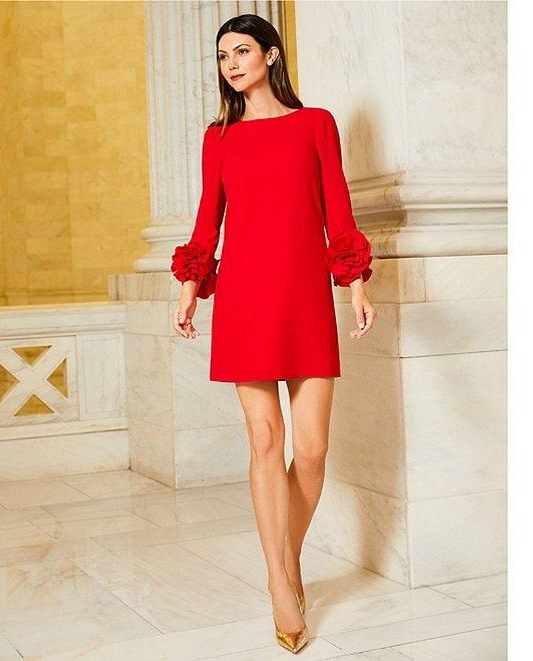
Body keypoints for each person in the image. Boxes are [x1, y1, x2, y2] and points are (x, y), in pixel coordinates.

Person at [170, 13, 376, 654]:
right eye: (222, 55)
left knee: (311, 452)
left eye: (241, 51)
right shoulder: (219, 138)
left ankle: (284, 560)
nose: (231, 64)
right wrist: (190, 287)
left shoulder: (315, 124)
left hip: (306, 295)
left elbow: (338, 208)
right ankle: (282, 584)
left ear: (271, 54)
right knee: (265, 441)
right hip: (245, 300)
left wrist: (356, 283)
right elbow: (208, 218)